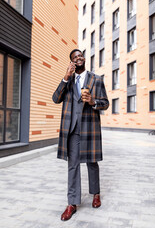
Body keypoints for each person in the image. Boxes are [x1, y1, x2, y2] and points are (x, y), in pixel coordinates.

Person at [52, 49, 109, 221]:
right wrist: (65, 77)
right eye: (75, 56)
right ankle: (72, 203)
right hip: (72, 130)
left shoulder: (96, 79)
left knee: (92, 163)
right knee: (73, 166)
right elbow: (56, 98)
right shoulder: (68, 81)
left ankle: (96, 194)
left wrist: (93, 102)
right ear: (71, 62)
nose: (79, 58)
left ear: (84, 59)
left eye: (80, 55)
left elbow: (105, 103)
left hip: (90, 128)